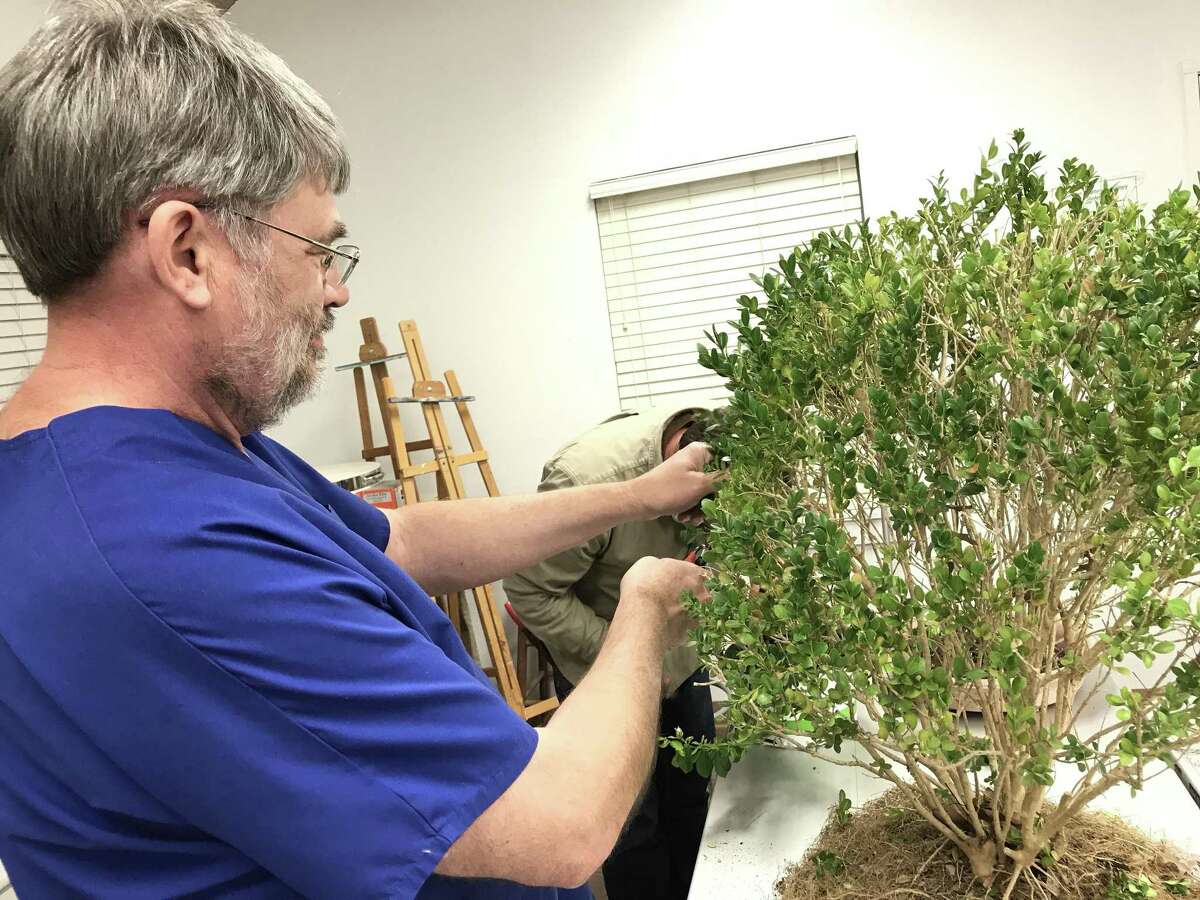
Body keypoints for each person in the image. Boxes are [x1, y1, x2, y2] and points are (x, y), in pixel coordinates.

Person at [0, 3, 715, 898]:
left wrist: (636, 496)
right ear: (186, 251)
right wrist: (644, 607)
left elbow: (405, 540)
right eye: (317, 249)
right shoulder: (156, 545)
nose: (337, 291)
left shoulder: (169, 454)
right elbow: (561, 822)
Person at [505, 409, 716, 900]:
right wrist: (633, 654)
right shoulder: (586, 479)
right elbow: (530, 593)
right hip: (602, 665)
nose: (704, 526)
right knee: (629, 824)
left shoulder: (738, 455)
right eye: (700, 511)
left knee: (692, 798)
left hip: (681, 660)